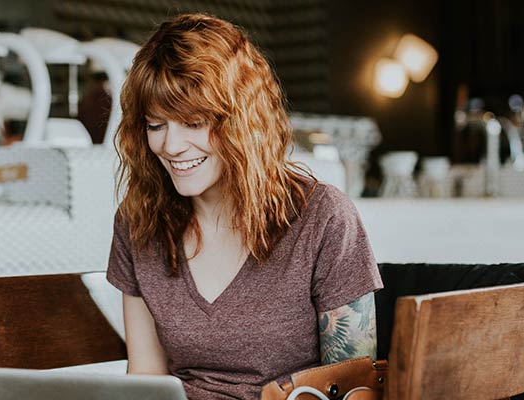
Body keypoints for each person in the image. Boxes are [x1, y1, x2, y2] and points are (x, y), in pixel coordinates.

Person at [106, 14, 383, 400]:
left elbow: (355, 391)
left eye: (194, 122)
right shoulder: (138, 222)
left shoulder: (324, 217)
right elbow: (147, 380)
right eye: (156, 125)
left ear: (242, 120)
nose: (170, 146)